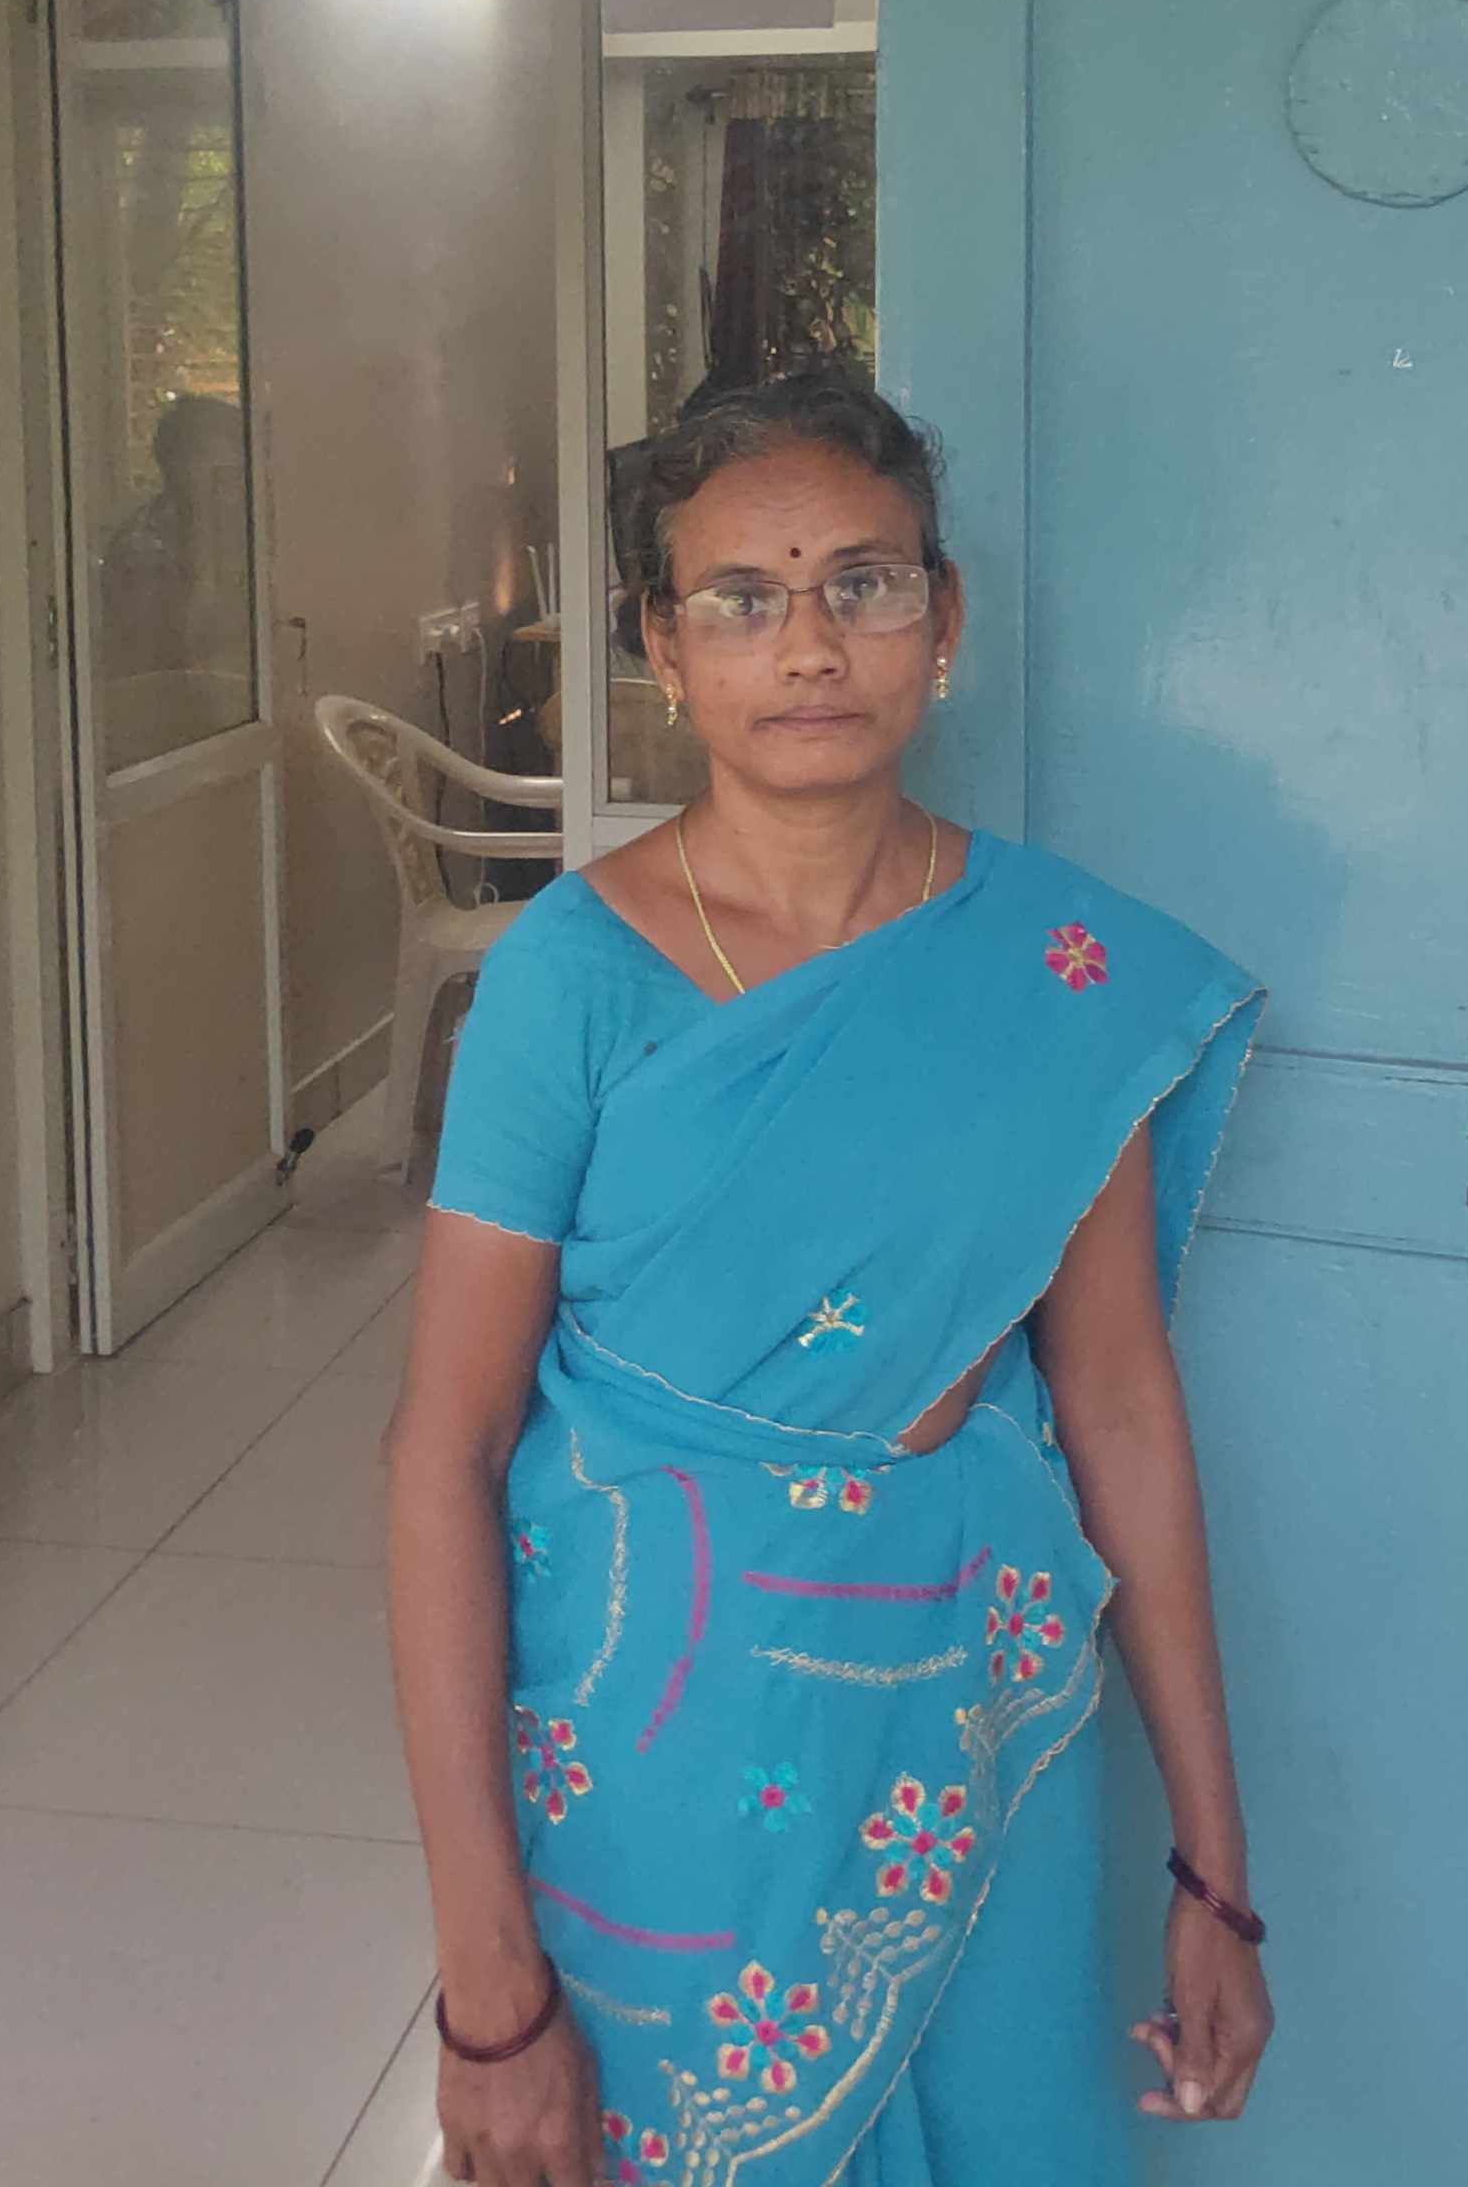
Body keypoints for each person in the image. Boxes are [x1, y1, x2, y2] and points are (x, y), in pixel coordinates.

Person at [382, 368, 1275, 2187]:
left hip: (971, 1713)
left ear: (943, 617)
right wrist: (486, 1987)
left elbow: (1114, 1400)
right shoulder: (569, 979)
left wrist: (1216, 1870)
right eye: (741, 598)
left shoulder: (1056, 968)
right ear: (662, 647)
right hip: (655, 1731)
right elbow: (445, 1454)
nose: (807, 645)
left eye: (860, 583)